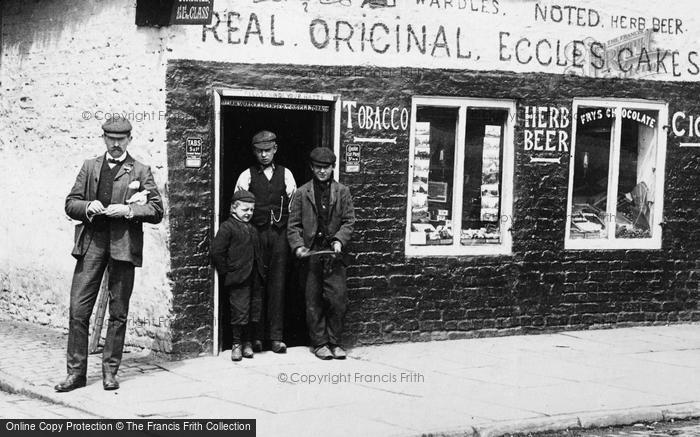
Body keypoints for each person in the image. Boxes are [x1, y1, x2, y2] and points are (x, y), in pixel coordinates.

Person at [55, 117, 163, 392]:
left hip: (123, 246)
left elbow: (156, 210)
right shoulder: (90, 167)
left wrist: (128, 211)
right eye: (111, 139)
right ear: (103, 138)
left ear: (129, 139)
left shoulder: (140, 170)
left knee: (118, 312)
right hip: (91, 244)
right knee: (79, 309)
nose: (116, 144)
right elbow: (71, 203)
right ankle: (76, 373)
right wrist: (88, 205)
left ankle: (110, 372)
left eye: (121, 139)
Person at [287, 147, 355, 360]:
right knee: (313, 300)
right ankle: (320, 343)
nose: (322, 172)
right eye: (318, 168)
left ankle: (335, 342)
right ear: (311, 167)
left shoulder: (342, 192)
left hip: (333, 254)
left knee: (337, 300)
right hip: (312, 253)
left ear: (333, 167)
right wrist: (298, 246)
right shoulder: (302, 192)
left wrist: (338, 240)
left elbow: (349, 221)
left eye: (326, 168)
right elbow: (293, 225)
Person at [234, 130, 296, 354]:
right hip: (255, 236)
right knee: (255, 285)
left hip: (279, 236)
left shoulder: (286, 174)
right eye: (259, 151)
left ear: (275, 150)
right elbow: (238, 208)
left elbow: (293, 206)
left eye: (267, 151)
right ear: (254, 151)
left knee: (277, 285)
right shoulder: (246, 176)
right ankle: (255, 337)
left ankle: (276, 337)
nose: (263, 155)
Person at [212, 190, 266, 361]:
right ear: (234, 209)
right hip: (238, 277)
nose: (249, 213)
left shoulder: (253, 229)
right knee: (239, 310)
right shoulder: (227, 227)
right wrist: (226, 272)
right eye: (245, 210)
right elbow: (217, 251)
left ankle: (248, 342)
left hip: (254, 276)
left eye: (251, 210)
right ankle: (237, 343)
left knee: (253, 310)